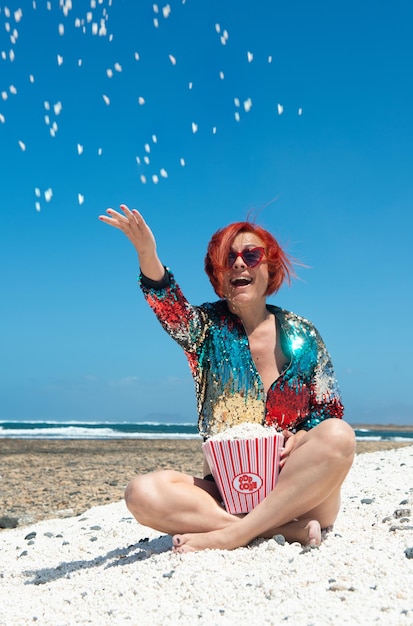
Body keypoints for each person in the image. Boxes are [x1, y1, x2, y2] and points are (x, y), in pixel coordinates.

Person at [99, 204, 356, 553]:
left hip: (299, 493)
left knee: (339, 436)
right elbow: (169, 306)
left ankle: (234, 534)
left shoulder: (303, 334)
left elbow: (329, 411)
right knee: (141, 493)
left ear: (270, 268)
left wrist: (304, 434)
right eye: (228, 259)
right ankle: (272, 530)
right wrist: (148, 253)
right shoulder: (205, 330)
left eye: (251, 255)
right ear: (218, 276)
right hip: (225, 493)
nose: (239, 263)